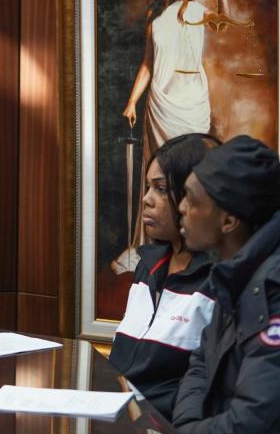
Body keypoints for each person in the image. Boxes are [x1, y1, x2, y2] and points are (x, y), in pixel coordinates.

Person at [172, 135, 280, 433]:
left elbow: (255, 424)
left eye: (191, 199)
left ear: (228, 222)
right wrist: (187, 425)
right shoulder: (239, 268)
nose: (181, 208)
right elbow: (201, 362)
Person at [113, 0, 233, 275]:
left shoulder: (196, 12)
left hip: (192, 102)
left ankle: (198, 239)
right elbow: (148, 65)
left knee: (194, 170)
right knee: (160, 173)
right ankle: (157, 244)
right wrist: (131, 101)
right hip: (160, 105)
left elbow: (223, 22)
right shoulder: (156, 18)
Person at [109, 133, 220, 419]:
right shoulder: (147, 266)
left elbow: (203, 391)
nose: (146, 200)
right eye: (147, 187)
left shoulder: (218, 279)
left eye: (161, 188)